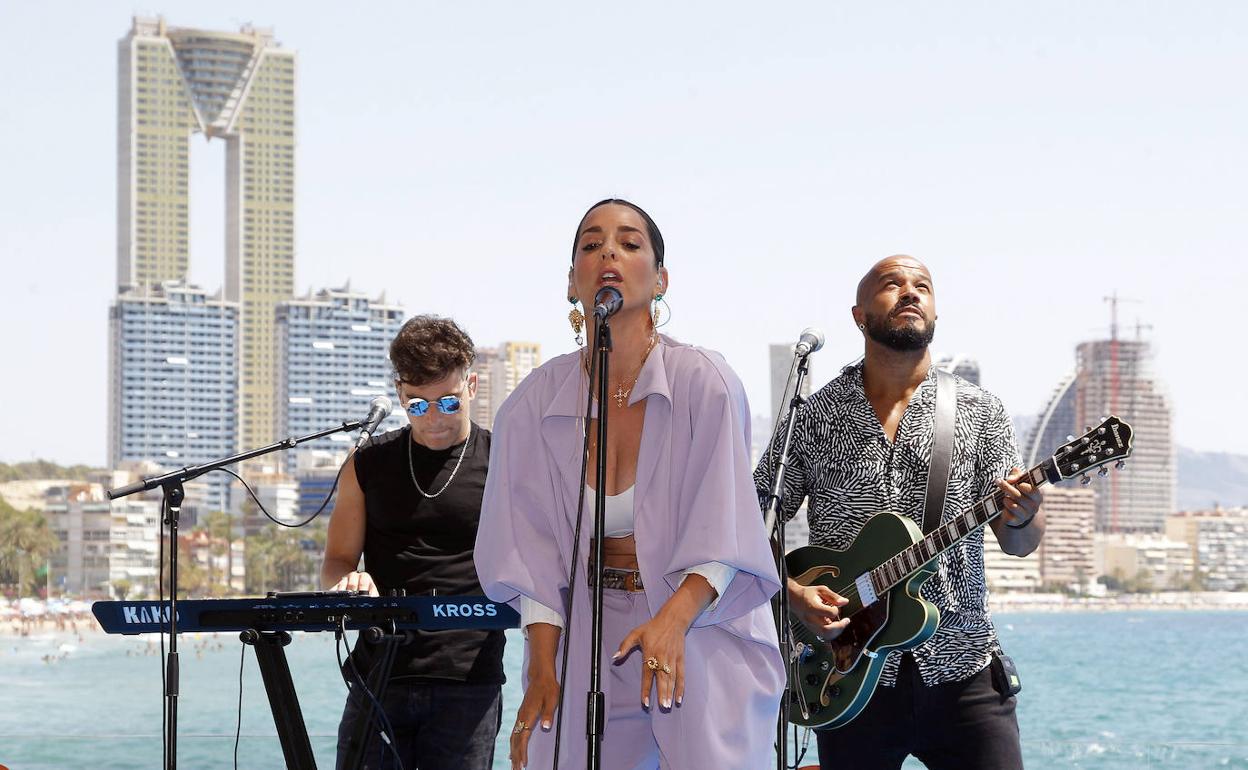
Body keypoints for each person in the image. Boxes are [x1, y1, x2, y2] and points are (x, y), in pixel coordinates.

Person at [474, 199, 785, 770]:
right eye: (591, 245)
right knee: (555, 751)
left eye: (629, 243)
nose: (609, 253)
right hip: (583, 626)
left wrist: (670, 623)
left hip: (699, 617)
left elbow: (725, 526)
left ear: (661, 279)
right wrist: (543, 666)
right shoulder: (529, 405)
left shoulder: (706, 383)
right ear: (573, 283)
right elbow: (530, 549)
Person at [757, 255, 1044, 770]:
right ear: (859, 315)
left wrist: (1025, 514)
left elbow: (1018, 541)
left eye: (923, 286)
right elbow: (753, 517)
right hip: (844, 675)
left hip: (963, 671)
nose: (911, 292)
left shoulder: (981, 410)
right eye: (892, 285)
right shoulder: (815, 414)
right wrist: (794, 596)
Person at [322, 315, 505, 770]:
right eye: (417, 406)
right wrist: (351, 582)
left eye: (448, 401)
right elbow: (338, 561)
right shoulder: (365, 465)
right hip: (379, 671)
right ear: (400, 395)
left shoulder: (506, 461)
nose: (435, 419)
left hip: (468, 678)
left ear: (473, 385)